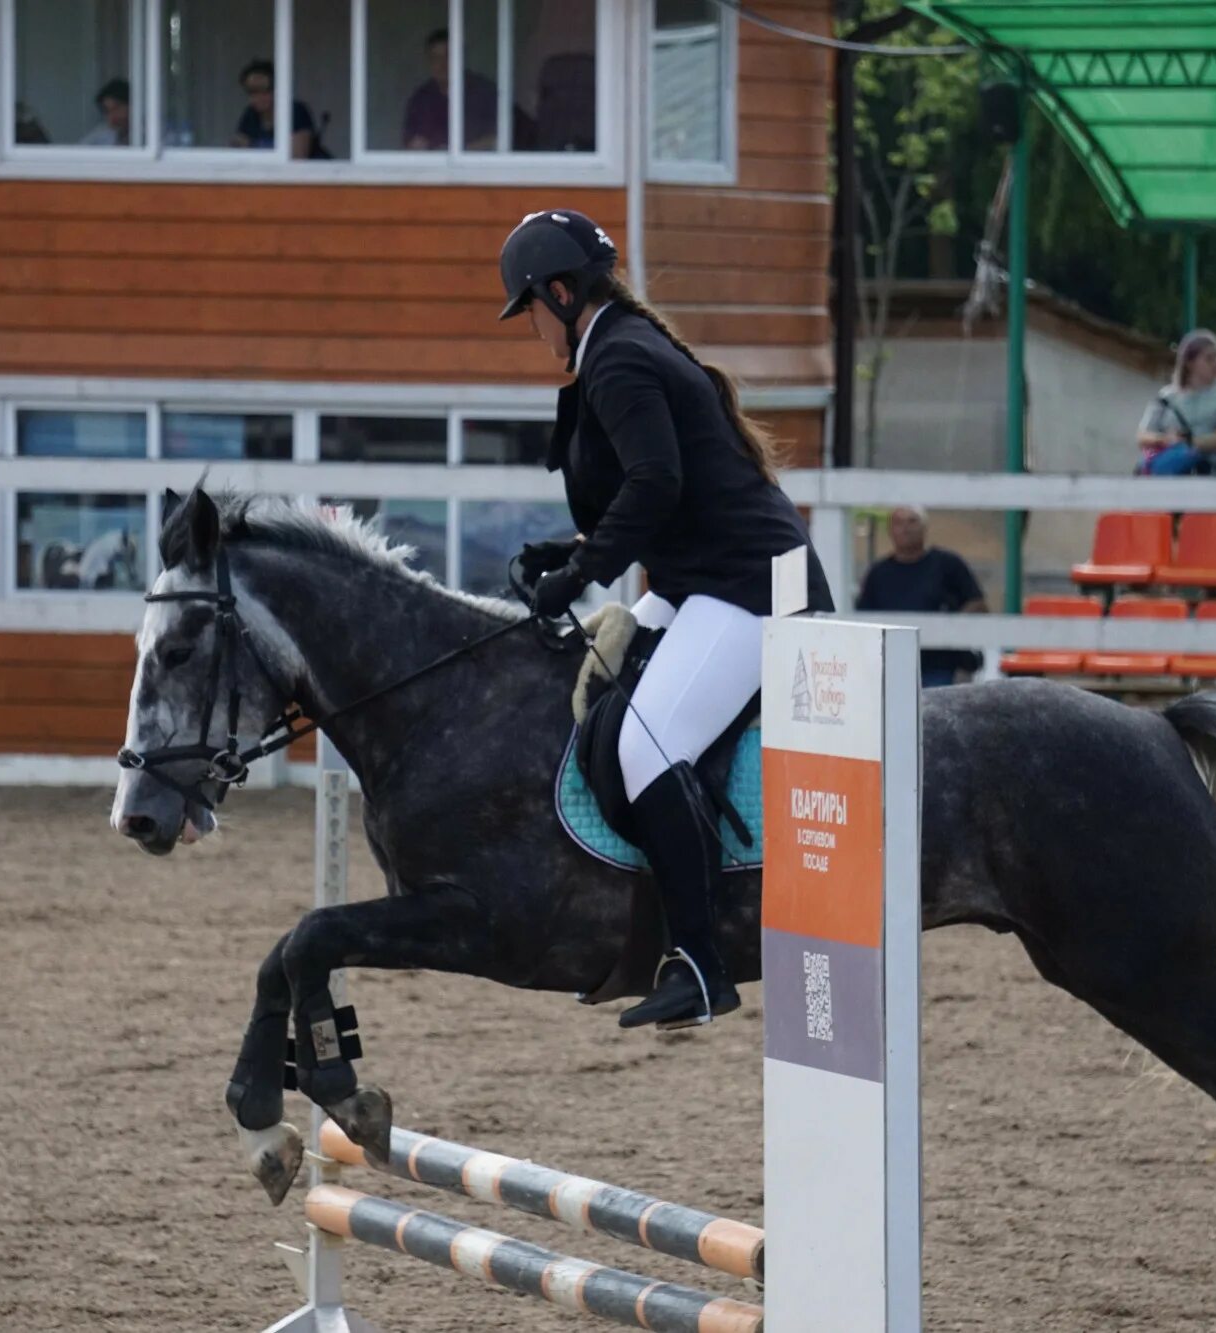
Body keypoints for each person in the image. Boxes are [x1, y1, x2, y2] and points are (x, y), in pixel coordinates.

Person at [500, 208, 833, 1031]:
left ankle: (700, 960)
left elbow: (656, 486)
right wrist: (570, 547)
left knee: (647, 743)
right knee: (602, 700)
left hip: (749, 588)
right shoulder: (620, 349)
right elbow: (649, 499)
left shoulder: (618, 360)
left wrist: (582, 571)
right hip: (705, 578)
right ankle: (639, 926)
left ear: (562, 292)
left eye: (531, 308)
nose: (532, 327)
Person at [853, 508, 987, 687]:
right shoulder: (878, 574)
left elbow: (978, 604)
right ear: (890, 531)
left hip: (943, 668)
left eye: (912, 521)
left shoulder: (948, 565)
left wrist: (951, 626)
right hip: (892, 669)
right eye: (898, 523)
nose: (905, 528)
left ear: (925, 527)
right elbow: (863, 620)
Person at [1135, 329, 1216, 474]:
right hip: (1173, 471)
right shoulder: (1166, 396)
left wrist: (1189, 444)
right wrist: (1163, 439)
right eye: (1209, 359)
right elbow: (1142, 435)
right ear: (1189, 363)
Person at [402, 28, 498, 150]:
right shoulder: (421, 99)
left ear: (460, 57)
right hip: (433, 168)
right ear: (429, 62)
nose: (443, 63)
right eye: (436, 58)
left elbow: (498, 138)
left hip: (479, 167)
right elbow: (410, 143)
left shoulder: (484, 92)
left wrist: (463, 152)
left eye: (448, 56)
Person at [230, 60, 316, 157]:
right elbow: (238, 153)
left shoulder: (296, 111)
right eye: (252, 92)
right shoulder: (251, 114)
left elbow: (298, 157)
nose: (258, 97)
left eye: (264, 90)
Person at [80, 78, 132, 146]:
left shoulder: (148, 136)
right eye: (107, 111)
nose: (112, 116)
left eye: (116, 108)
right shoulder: (101, 135)